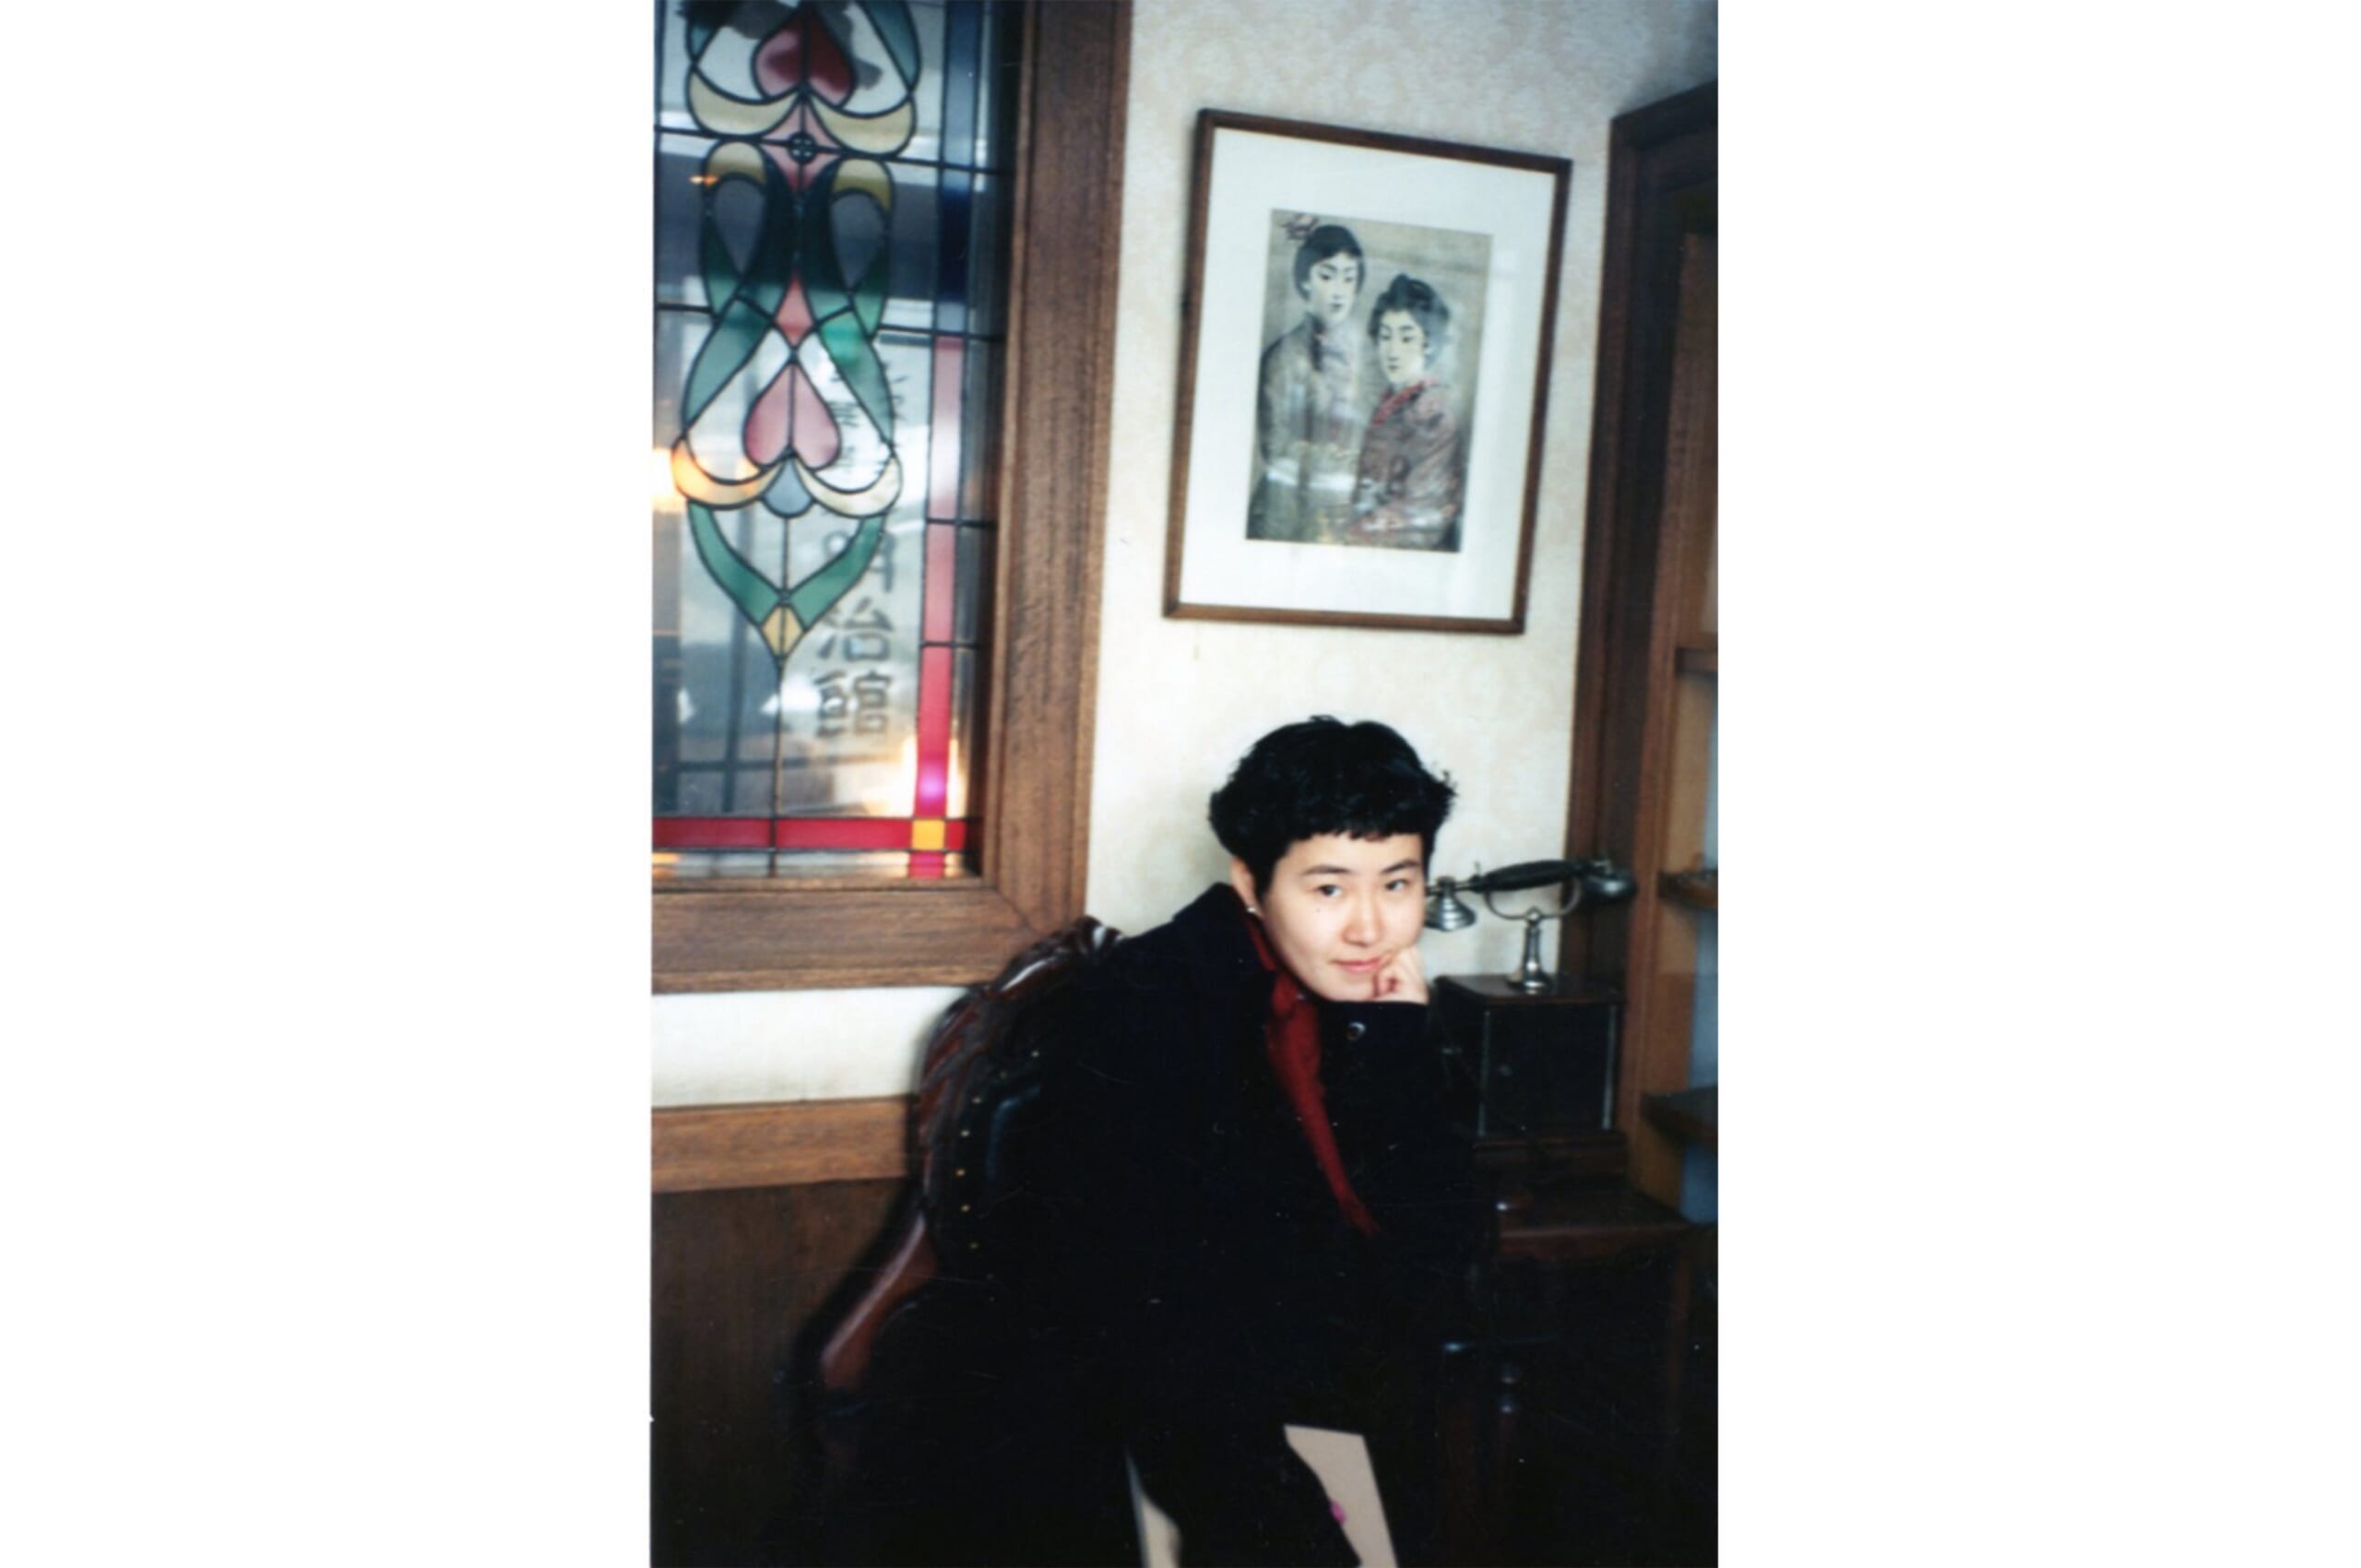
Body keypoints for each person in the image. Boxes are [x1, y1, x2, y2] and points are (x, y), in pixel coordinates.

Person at [825, 719, 1484, 1567]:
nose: (1370, 928)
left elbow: (1435, 1254)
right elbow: (1146, 1321)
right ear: (1251, 883)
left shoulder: (1384, 1008)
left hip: (1293, 1389)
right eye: (1329, 889)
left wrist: (1390, 1052)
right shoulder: (1144, 1006)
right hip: (1123, 1400)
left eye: (1398, 885)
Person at [1248, 224, 1371, 545]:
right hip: (1286, 510)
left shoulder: (1371, 359)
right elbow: (1275, 446)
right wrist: (1341, 459)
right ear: (1305, 279)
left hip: (1351, 514)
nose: (1339, 291)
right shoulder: (1282, 358)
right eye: (1327, 276)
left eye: (1349, 278)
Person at [1348, 275, 1465, 552]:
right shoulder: (1392, 401)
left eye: (1407, 338)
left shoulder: (1433, 414)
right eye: (1385, 336)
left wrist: (1354, 535)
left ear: (1429, 342)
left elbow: (1423, 507)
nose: (1393, 351)